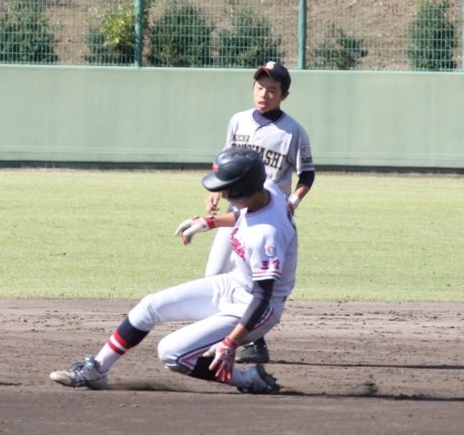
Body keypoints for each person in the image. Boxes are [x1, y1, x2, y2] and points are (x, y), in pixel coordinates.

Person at [49, 147, 295, 394]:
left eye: (225, 187)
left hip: (255, 307)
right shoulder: (268, 190)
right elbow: (248, 216)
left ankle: (249, 379)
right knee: (150, 306)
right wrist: (209, 222)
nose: (220, 192)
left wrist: (231, 342)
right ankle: (96, 370)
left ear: (242, 189)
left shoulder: (266, 236)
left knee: (172, 353)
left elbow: (263, 297)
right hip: (235, 283)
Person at [176, 61, 314, 365]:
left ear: (284, 95)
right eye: (260, 87)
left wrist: (293, 202)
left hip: (267, 217)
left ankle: (247, 341)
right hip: (234, 212)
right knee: (214, 276)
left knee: (254, 282)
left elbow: (307, 175)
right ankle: (226, 339)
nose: (264, 94)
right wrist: (216, 191)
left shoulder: (293, 131)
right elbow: (225, 162)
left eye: (272, 90)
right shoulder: (238, 121)